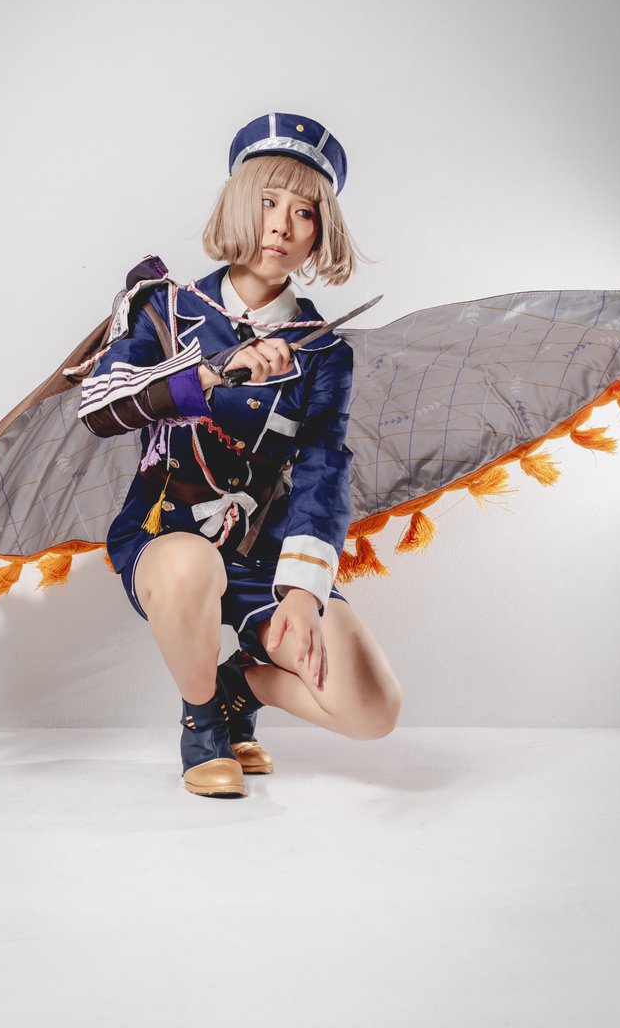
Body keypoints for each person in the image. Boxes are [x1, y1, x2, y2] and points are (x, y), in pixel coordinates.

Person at [78, 112, 403, 797]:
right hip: (167, 539)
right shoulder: (166, 308)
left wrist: (303, 593)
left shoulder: (324, 349)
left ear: (320, 232)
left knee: (372, 709)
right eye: (266, 202)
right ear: (236, 205)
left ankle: (239, 689)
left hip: (267, 556)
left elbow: (323, 468)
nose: (281, 226)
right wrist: (208, 374)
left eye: (304, 212)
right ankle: (202, 724)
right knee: (191, 564)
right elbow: (99, 407)